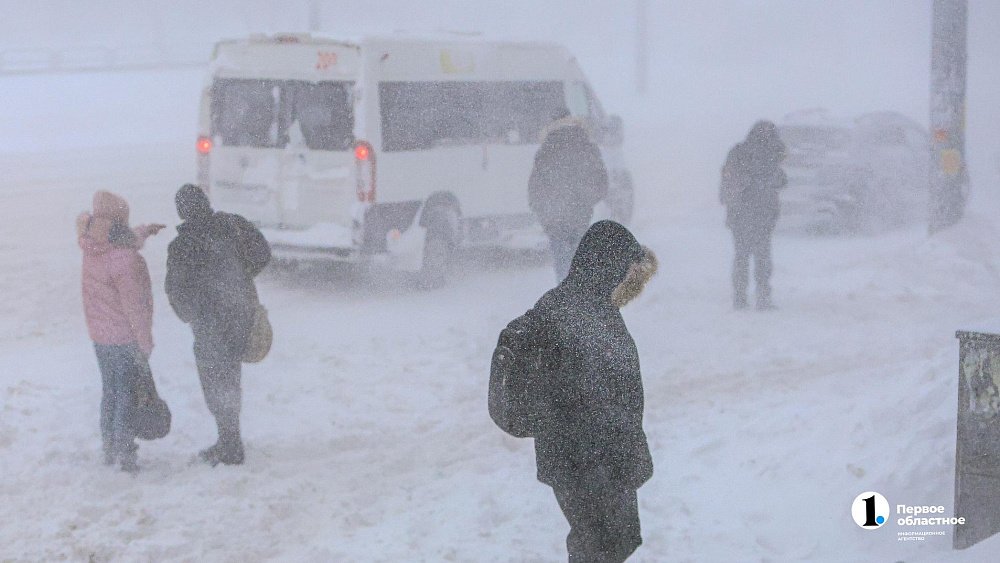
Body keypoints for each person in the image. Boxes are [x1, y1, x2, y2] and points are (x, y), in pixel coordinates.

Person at [525, 220, 657, 562]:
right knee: (602, 544)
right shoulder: (580, 315)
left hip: (584, 458)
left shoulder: (577, 307)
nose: (628, 285)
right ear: (607, 266)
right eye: (625, 274)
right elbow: (597, 398)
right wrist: (623, 458)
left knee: (606, 543)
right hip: (588, 459)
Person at [165, 184, 270, 466]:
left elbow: (175, 292)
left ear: (182, 212)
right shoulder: (232, 224)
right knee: (231, 378)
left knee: (216, 381)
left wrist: (193, 314)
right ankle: (229, 438)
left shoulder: (182, 246)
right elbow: (262, 252)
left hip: (210, 325)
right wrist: (243, 279)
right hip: (240, 315)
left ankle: (230, 444)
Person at [77, 191, 164, 473]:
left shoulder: (93, 248)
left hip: (100, 337)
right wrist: (145, 343)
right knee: (126, 394)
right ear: (118, 225)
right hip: (124, 338)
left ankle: (110, 447)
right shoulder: (126, 262)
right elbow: (136, 308)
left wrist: (143, 232)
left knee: (111, 392)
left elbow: (119, 245)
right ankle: (126, 454)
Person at [529, 108, 609, 281]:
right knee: (579, 259)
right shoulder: (587, 145)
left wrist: (541, 210)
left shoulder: (546, 149)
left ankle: (566, 300)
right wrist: (586, 200)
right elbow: (602, 182)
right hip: (580, 213)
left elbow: (535, 187)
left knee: (562, 262)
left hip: (554, 217)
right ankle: (581, 298)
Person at [720, 120, 787, 310]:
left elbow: (727, 182)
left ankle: (740, 298)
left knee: (742, 256)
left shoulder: (739, 152)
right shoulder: (770, 156)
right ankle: (762, 297)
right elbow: (781, 180)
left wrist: (732, 204)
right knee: (762, 256)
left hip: (741, 214)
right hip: (761, 215)